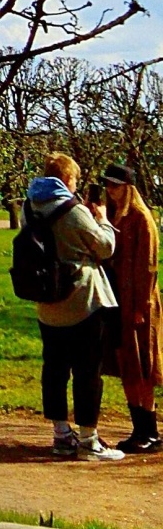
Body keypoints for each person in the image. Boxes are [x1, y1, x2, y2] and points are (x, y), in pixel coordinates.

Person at [25, 152, 123, 461]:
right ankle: (88, 439)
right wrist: (104, 220)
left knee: (54, 370)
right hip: (82, 302)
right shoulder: (73, 209)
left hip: (47, 303)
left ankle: (60, 434)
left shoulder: (30, 208)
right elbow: (105, 247)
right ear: (67, 179)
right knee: (87, 371)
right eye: (75, 179)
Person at [102, 162, 163, 454]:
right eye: (108, 186)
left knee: (143, 367)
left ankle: (150, 431)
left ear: (128, 187)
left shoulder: (141, 218)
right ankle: (138, 428)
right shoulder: (114, 217)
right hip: (116, 300)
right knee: (126, 365)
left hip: (139, 304)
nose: (110, 191)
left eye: (115, 185)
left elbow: (148, 268)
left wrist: (142, 306)